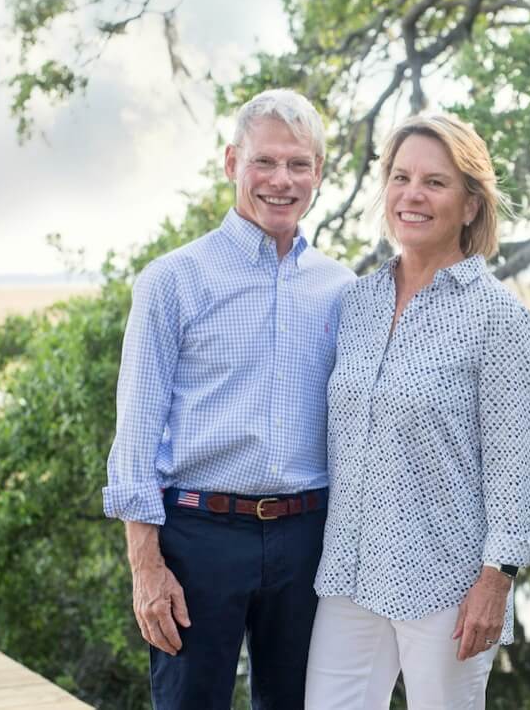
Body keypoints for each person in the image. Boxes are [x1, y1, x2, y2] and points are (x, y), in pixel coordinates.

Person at [103, 89, 355, 710]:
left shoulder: (341, 288)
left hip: (307, 538)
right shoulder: (172, 281)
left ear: (318, 173)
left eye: (299, 164)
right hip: (197, 536)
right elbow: (135, 432)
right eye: (265, 162)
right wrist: (146, 566)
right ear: (231, 163)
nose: (281, 180)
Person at [305, 114, 530, 710]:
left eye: (435, 182)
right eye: (400, 177)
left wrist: (497, 582)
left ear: (470, 205)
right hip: (349, 571)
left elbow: (516, 468)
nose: (412, 194)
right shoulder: (356, 303)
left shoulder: (501, 320)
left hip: (447, 582)